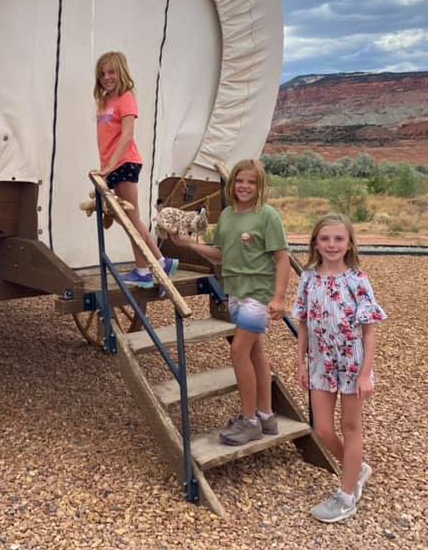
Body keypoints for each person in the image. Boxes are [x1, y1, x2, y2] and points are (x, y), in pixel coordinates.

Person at [169, 159, 289, 445]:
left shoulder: (267, 216)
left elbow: (282, 257)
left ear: (260, 186)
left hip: (258, 293)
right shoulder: (227, 216)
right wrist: (188, 245)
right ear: (232, 184)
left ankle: (249, 422)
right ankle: (265, 415)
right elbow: (222, 254)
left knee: (237, 352)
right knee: (255, 352)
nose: (245, 186)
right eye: (240, 181)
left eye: (252, 182)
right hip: (234, 291)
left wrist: (280, 297)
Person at [293, 213, 387, 523]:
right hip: (321, 362)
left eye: (338, 239)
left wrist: (365, 374)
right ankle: (356, 467)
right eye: (325, 239)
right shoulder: (308, 278)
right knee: (321, 428)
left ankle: (347, 495)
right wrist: (301, 362)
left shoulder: (357, 280)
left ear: (348, 244)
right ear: (315, 243)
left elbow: (370, 329)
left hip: (352, 363)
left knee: (351, 426)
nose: (331, 244)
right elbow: (304, 323)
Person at [93, 51, 178, 288]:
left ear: (121, 72)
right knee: (126, 219)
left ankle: (148, 268)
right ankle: (159, 262)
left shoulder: (126, 97)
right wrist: (106, 167)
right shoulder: (105, 101)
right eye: (102, 73)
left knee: (131, 218)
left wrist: (110, 166)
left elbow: (127, 135)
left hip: (125, 163)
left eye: (111, 72)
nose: (107, 77)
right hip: (112, 166)